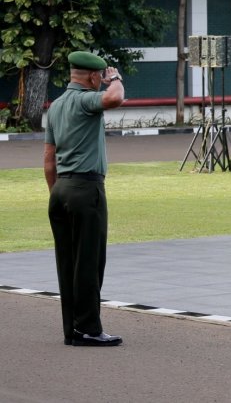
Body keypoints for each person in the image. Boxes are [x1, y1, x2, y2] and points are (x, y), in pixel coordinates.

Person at [43, 51, 126, 346]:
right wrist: (114, 77)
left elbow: (49, 160)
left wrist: (59, 195)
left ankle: (73, 329)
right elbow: (114, 98)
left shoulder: (56, 106)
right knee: (89, 262)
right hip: (86, 188)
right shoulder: (84, 100)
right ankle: (89, 328)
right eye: (99, 77)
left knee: (67, 263)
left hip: (61, 189)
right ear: (93, 77)